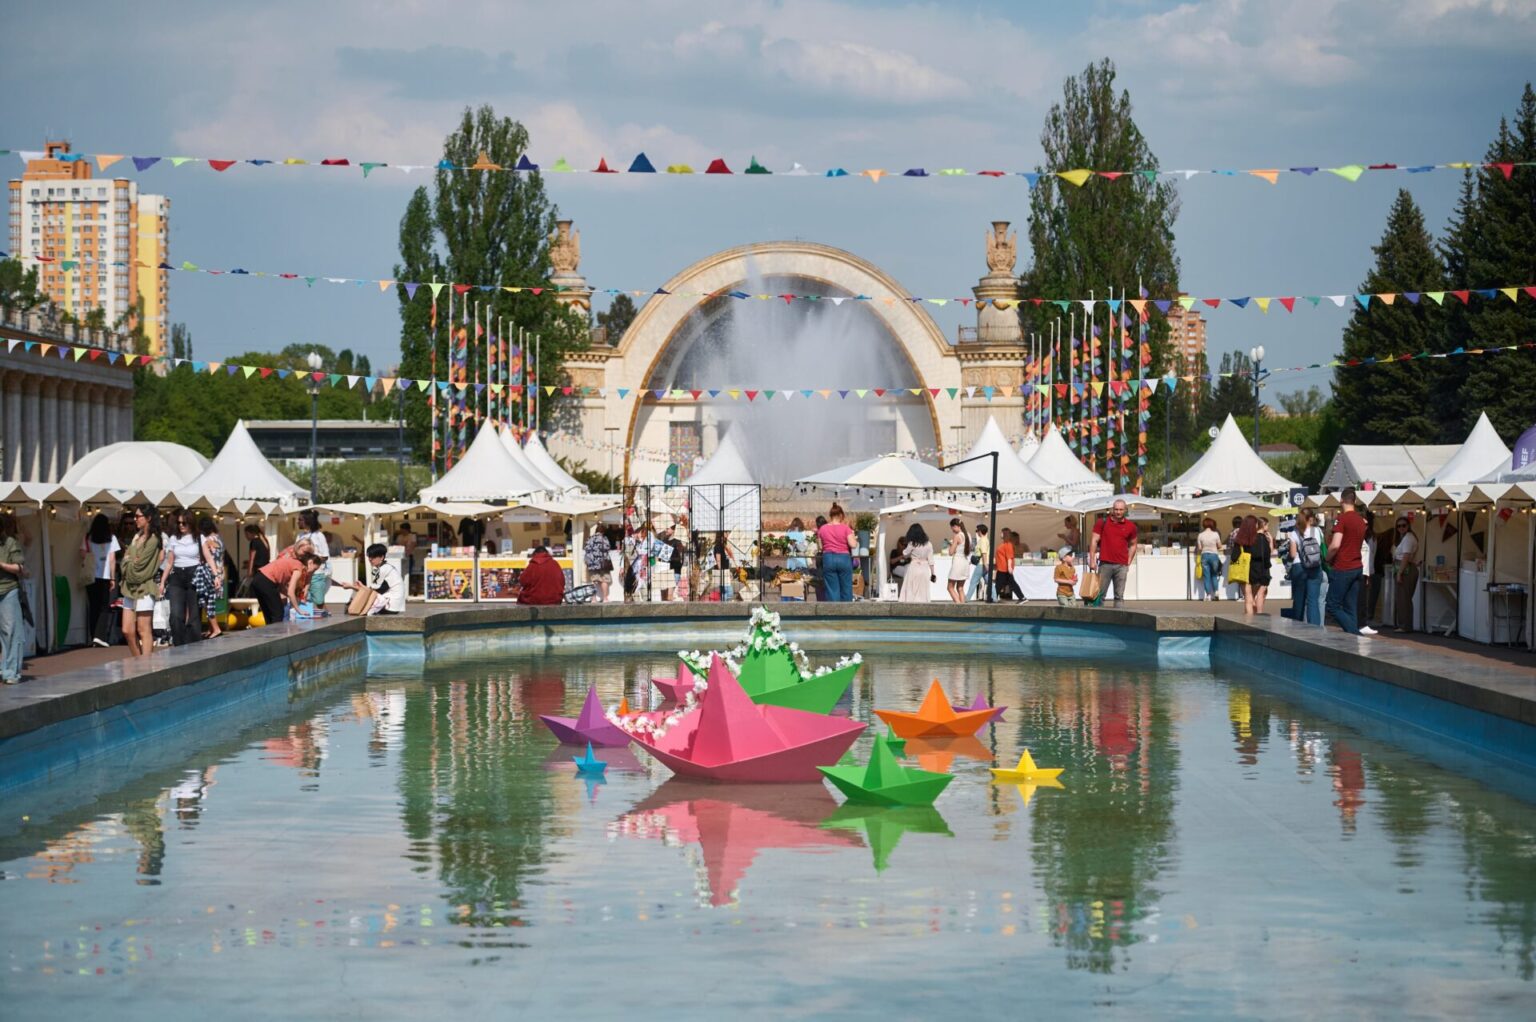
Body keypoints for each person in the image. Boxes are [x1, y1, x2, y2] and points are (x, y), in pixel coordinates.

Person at [1324, 487, 1375, 636]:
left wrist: (1327, 558)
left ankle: (1355, 633)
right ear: (1354, 501)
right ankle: (1353, 639)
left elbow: (1335, 545)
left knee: (1332, 606)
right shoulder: (1361, 521)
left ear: (1341, 500)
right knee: (1350, 607)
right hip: (1357, 566)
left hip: (1343, 566)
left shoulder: (1342, 519)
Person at [119, 505, 162, 657]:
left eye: (138, 516)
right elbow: (125, 562)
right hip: (129, 587)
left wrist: (128, 561)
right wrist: (129, 561)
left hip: (145, 586)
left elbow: (139, 568)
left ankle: (145, 663)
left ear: (148, 518)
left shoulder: (153, 540)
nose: (135, 519)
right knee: (127, 630)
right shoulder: (137, 537)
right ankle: (139, 661)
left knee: (143, 629)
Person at [159, 509, 203, 647]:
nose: (181, 526)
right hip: (177, 575)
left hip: (194, 574)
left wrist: (216, 574)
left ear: (191, 523)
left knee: (194, 616)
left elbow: (207, 557)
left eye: (184, 523)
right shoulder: (174, 538)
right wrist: (162, 582)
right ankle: (179, 645)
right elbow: (170, 562)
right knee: (176, 615)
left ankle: (194, 647)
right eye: (179, 523)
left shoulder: (198, 537)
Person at [1089, 500, 1139, 608]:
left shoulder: (1131, 526)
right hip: (1105, 564)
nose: (1118, 512)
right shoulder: (1102, 522)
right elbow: (1094, 541)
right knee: (1099, 595)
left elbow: (1133, 545)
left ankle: (1119, 617)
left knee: (1119, 596)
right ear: (1112, 509)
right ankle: (1097, 617)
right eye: (1116, 509)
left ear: (1125, 510)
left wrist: (1128, 561)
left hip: (1121, 566)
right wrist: (1092, 560)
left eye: (1121, 509)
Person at [82, 512, 121, 648]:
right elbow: (112, 559)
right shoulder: (112, 538)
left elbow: (82, 554)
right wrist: (112, 578)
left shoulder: (88, 537)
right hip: (105, 576)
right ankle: (100, 636)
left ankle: (93, 635)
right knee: (104, 606)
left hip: (91, 576)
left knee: (93, 606)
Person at [252, 549, 319, 625]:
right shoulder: (299, 568)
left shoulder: (294, 562)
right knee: (278, 612)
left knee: (269, 613)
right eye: (314, 569)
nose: (313, 572)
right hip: (266, 581)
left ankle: (269, 632)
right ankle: (276, 632)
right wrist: (298, 609)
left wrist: (296, 598)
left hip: (258, 579)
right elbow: (290, 592)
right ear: (310, 563)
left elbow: (284, 589)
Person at [1281, 508, 1324, 626]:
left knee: (1299, 600)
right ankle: (1315, 628)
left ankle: (1297, 627)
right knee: (1313, 601)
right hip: (1315, 566)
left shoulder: (1295, 533)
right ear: (1311, 518)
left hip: (1299, 567)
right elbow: (1320, 548)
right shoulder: (1317, 531)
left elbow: (1293, 554)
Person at [337, 543, 405, 614]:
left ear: (382, 557)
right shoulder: (386, 568)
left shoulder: (383, 570)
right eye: (369, 556)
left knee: (359, 596)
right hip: (394, 605)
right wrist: (354, 587)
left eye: (373, 557)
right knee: (359, 593)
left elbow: (372, 592)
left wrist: (352, 587)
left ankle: (353, 609)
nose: (370, 559)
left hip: (390, 606)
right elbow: (372, 590)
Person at [0, 514, 28, 684]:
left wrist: (1, 565)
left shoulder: (10, 542)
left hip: (8, 590)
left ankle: (11, 672)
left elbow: (19, 567)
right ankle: (4, 668)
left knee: (11, 631)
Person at [817, 504, 857, 602]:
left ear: (830, 515)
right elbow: (853, 545)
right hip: (844, 559)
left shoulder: (822, 529)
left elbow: (820, 547)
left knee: (832, 590)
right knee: (846, 589)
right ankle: (846, 610)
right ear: (841, 515)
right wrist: (854, 536)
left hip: (828, 559)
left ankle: (834, 610)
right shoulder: (846, 528)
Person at [194, 516, 226, 638]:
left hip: (210, 572)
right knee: (211, 600)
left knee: (208, 601)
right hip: (219, 570)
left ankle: (216, 629)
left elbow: (206, 556)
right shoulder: (219, 538)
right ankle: (211, 628)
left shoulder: (207, 540)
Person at [296, 510, 331, 609]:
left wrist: (312, 560)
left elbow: (325, 556)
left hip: (317, 574)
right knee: (304, 599)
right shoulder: (299, 536)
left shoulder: (319, 536)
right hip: (302, 573)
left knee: (319, 601)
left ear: (307, 521)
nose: (298, 522)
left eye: (300, 520)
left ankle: (326, 615)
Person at [1238, 514, 1273, 615]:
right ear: (1263, 525)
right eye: (1267, 525)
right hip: (1262, 569)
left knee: (1250, 595)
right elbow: (1268, 553)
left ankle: (1250, 613)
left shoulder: (1248, 538)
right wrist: (1271, 541)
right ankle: (1258, 613)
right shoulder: (1263, 538)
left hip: (1250, 569)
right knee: (1260, 593)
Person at [1392, 516, 1419, 632]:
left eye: (1403, 525)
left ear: (1408, 526)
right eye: (1398, 526)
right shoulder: (1406, 538)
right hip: (1405, 567)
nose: (1401, 528)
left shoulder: (1408, 538)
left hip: (1405, 569)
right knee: (1403, 598)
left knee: (1403, 599)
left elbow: (1406, 556)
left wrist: (1399, 573)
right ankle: (1403, 624)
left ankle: (1404, 626)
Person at [897, 524, 933, 603]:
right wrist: (933, 574)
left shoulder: (912, 543)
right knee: (923, 590)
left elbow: (905, 554)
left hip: (914, 567)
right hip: (925, 568)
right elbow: (931, 561)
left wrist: (906, 551)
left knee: (912, 589)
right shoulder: (929, 544)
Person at [1196, 517, 1223, 601]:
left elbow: (1199, 548)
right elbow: (1220, 546)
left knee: (1206, 576)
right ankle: (1216, 592)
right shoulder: (1215, 534)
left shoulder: (1200, 535)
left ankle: (1208, 595)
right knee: (1214, 575)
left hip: (1204, 555)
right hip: (1214, 555)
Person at [583, 527, 613, 603]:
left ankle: (593, 599)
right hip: (603, 564)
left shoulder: (590, 539)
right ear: (603, 532)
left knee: (594, 581)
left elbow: (587, 550)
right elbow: (608, 548)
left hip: (593, 564)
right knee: (604, 580)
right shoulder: (604, 539)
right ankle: (605, 598)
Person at [945, 518, 971, 603]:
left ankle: (959, 606)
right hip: (965, 562)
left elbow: (951, 552)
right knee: (960, 588)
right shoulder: (968, 535)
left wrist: (950, 545)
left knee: (950, 587)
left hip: (958, 563)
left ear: (956, 526)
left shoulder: (957, 536)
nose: (952, 530)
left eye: (952, 527)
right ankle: (963, 607)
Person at [993, 528, 1023, 602]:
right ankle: (1022, 598)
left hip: (1004, 569)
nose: (1000, 534)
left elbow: (1009, 557)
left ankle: (993, 598)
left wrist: (1009, 567)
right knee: (1004, 584)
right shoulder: (1004, 544)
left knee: (1000, 584)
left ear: (1005, 534)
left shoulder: (1008, 544)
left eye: (1002, 533)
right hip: (1001, 568)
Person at [965, 524, 991, 601]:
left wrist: (985, 564)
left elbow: (984, 553)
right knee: (989, 582)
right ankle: (994, 597)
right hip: (984, 563)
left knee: (973, 581)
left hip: (981, 564)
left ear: (980, 531)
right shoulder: (985, 540)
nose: (976, 532)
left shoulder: (982, 540)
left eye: (977, 531)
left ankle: (967, 599)